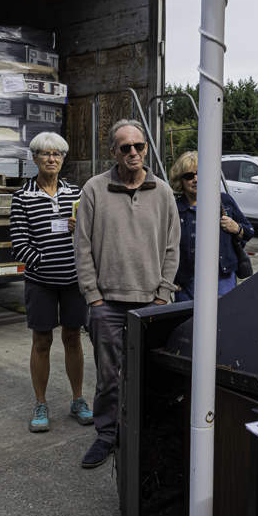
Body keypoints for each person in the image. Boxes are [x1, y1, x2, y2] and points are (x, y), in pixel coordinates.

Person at [75, 119, 179, 468]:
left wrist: (162, 295)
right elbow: (82, 247)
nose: (133, 152)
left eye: (139, 146)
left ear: (146, 149)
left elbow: (172, 248)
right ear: (113, 152)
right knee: (108, 376)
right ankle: (107, 435)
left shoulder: (163, 192)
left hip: (151, 303)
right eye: (125, 147)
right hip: (107, 303)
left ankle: (143, 433)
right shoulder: (94, 189)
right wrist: (94, 297)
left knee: (149, 373)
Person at [10, 132, 92, 432]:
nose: (51, 159)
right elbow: (19, 243)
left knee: (73, 338)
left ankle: (77, 399)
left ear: (63, 159)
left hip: (73, 281)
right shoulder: (23, 196)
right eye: (45, 153)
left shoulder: (76, 193)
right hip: (40, 283)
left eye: (57, 154)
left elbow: (92, 233)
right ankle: (41, 404)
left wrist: (79, 228)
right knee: (42, 341)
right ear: (34, 158)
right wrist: (45, 264)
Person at [169, 151, 254, 301]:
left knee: (224, 316)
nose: (196, 179)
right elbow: (166, 249)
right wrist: (172, 279)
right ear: (180, 179)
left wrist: (237, 228)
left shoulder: (224, 201)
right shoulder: (174, 209)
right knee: (186, 317)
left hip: (223, 280)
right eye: (189, 176)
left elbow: (249, 231)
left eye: (199, 173)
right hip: (187, 283)